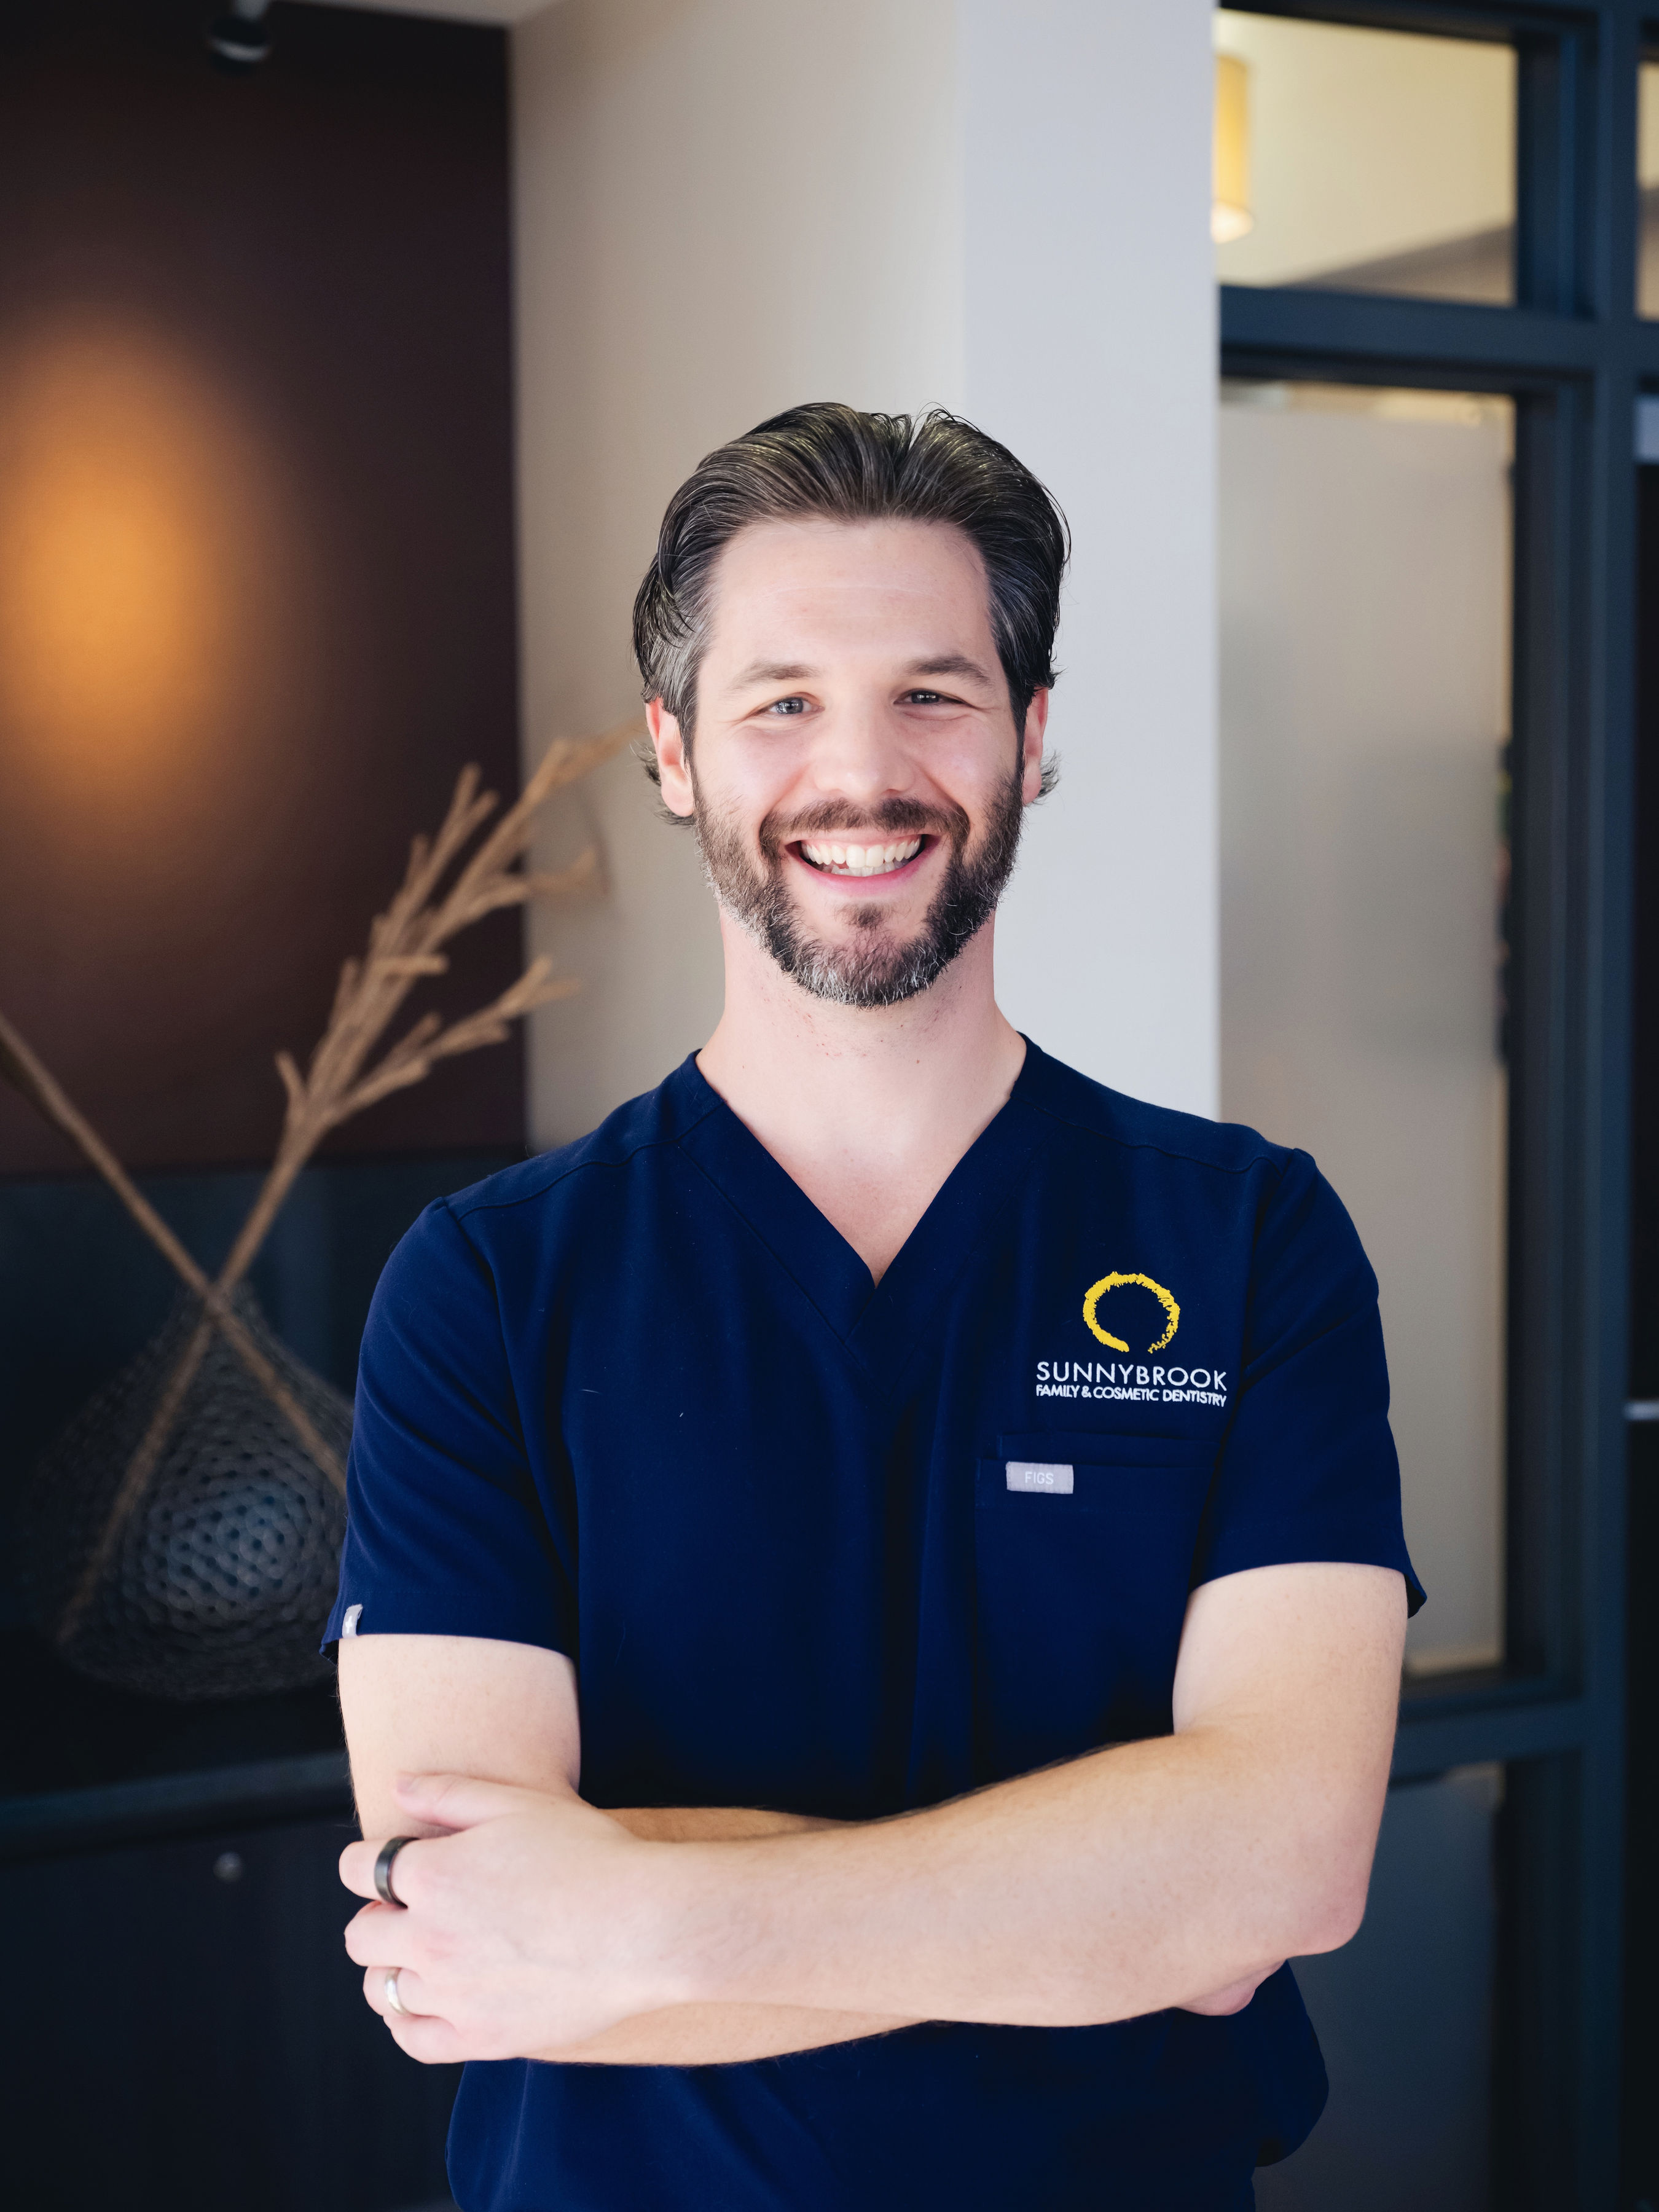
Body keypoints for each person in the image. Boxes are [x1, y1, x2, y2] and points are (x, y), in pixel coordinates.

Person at [329, 402, 1422, 2212]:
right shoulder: (490, 1286)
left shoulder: (1247, 1242)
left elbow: (1274, 1880)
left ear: (1030, 739)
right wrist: (1096, 1905)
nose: (860, 773)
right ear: (673, 755)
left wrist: (645, 1913)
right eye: (780, 703)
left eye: (932, 693)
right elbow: (477, 1936)